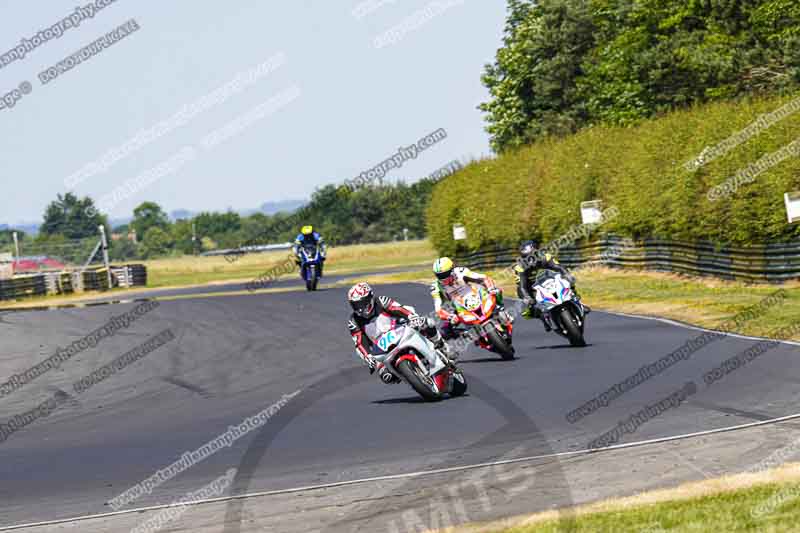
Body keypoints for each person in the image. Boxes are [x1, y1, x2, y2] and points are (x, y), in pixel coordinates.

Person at [347, 282, 453, 384]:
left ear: (370, 297)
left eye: (362, 303)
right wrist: (368, 357)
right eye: (356, 305)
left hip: (400, 328)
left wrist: (411, 317)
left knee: (427, 323)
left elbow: (398, 308)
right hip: (381, 348)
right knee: (386, 377)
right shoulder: (354, 321)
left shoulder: (381, 301)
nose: (360, 309)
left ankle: (440, 344)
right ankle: (410, 377)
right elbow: (359, 342)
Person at [514, 240, 590, 331]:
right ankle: (541, 315)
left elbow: (559, 267)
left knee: (569, 280)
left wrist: (567, 275)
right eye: (527, 257)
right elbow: (522, 286)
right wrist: (527, 298)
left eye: (532, 255)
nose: (531, 259)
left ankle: (577, 300)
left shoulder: (546, 257)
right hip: (533, 287)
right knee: (522, 295)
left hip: (551, 279)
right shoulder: (519, 267)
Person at [430, 257, 502, 341]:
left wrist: (491, 288)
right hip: (456, 307)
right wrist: (449, 317)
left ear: (452, 269)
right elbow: (438, 309)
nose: (443, 278)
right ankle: (469, 335)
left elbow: (483, 278)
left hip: (475, 295)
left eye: (445, 274)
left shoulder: (461, 272)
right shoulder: (435, 287)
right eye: (439, 276)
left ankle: (501, 309)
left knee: (497, 291)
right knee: (445, 331)